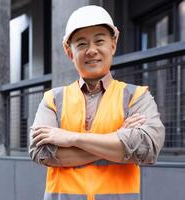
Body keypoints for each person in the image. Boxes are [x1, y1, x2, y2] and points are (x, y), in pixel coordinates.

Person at [29, 5, 165, 200]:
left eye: (99, 40)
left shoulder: (136, 96)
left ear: (113, 45)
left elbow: (147, 148)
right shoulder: (52, 99)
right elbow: (41, 152)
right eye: (82, 44)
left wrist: (71, 138)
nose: (91, 50)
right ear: (70, 52)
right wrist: (119, 141)